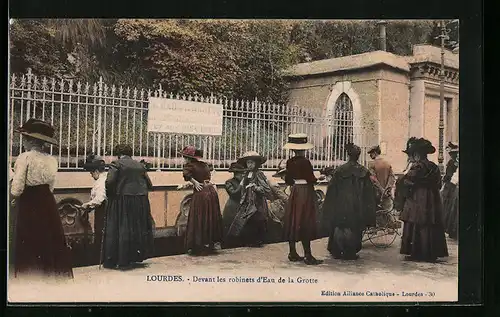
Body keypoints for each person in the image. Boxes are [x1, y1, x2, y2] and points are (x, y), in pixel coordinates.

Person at [10, 118, 73, 279]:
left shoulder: (25, 158)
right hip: (46, 200)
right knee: (48, 236)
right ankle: (48, 271)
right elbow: (51, 185)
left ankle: (31, 273)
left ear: (31, 140)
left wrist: (14, 197)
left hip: (29, 201)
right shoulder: (52, 160)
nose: (24, 141)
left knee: (30, 236)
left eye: (25, 138)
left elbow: (17, 186)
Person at [395, 137, 449, 262]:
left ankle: (417, 252)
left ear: (417, 154)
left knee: (416, 223)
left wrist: (403, 181)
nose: (412, 157)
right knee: (429, 223)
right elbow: (439, 184)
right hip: (432, 199)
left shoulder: (417, 167)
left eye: (412, 154)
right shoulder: (434, 167)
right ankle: (429, 252)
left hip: (417, 198)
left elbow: (407, 181)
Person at [103, 144, 155, 269]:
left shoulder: (116, 164)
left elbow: (109, 182)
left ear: (118, 154)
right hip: (141, 200)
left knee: (121, 228)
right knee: (136, 228)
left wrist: (111, 195)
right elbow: (150, 184)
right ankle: (134, 256)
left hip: (123, 200)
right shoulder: (140, 165)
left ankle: (119, 259)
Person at [323, 143, 377, 260]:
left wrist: (329, 205)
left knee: (339, 226)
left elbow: (332, 189)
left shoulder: (340, 170)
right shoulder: (363, 171)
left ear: (348, 155)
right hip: (357, 204)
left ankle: (337, 250)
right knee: (355, 227)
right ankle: (350, 252)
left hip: (341, 202)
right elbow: (369, 192)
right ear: (358, 156)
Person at [282, 134, 323, 265]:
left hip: (295, 191)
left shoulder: (290, 162)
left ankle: (292, 252)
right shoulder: (305, 162)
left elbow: (288, 180)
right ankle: (308, 255)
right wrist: (319, 179)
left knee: (294, 219)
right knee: (305, 220)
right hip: (305, 192)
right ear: (303, 149)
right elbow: (311, 179)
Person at [181, 146, 223, 255]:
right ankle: (210, 242)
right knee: (210, 216)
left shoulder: (190, 165)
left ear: (188, 158)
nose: (184, 159)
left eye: (185, 157)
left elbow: (187, 175)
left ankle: (198, 243)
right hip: (210, 190)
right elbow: (208, 174)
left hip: (201, 193)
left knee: (199, 216)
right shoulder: (204, 165)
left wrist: (194, 182)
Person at [227, 151, 271, 247]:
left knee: (257, 220)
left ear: (256, 163)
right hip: (247, 201)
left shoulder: (259, 174)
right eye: (248, 163)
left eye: (252, 163)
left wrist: (255, 187)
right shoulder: (246, 174)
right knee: (246, 221)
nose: (250, 165)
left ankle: (257, 241)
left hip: (257, 202)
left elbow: (266, 189)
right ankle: (249, 241)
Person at [80, 154, 107, 249]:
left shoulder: (101, 182)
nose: (91, 175)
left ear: (96, 171)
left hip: (103, 211)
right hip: (103, 210)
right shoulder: (104, 179)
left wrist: (87, 205)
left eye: (91, 173)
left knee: (100, 233)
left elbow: (99, 199)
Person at [221, 162, 246, 248]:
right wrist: (241, 185)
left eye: (243, 173)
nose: (242, 175)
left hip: (242, 207)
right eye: (240, 173)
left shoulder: (245, 182)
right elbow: (233, 194)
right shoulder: (229, 182)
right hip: (232, 208)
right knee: (230, 227)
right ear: (235, 174)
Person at [367, 145, 396, 211]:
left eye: (371, 153)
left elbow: (373, 180)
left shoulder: (372, 164)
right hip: (386, 195)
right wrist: (386, 189)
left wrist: (381, 190)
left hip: (376, 195)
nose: (370, 155)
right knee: (386, 216)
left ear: (375, 153)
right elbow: (392, 178)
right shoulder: (387, 164)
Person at [441, 142, 459, 239]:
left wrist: (446, 180)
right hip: (451, 186)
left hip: (451, 186)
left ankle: (450, 228)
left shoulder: (452, 163)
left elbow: (449, 175)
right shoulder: (453, 162)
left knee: (450, 207)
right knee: (449, 207)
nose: (451, 155)